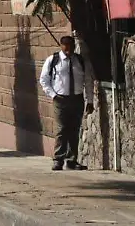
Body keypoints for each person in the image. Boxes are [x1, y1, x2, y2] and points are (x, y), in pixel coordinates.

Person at [39, 35, 94, 171]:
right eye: (66, 47)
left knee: (74, 130)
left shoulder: (80, 61)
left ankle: (72, 160)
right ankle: (58, 159)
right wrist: (53, 95)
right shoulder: (53, 60)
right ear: (61, 46)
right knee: (62, 129)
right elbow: (44, 80)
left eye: (71, 46)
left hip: (77, 99)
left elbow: (88, 81)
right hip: (60, 99)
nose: (69, 50)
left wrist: (90, 101)